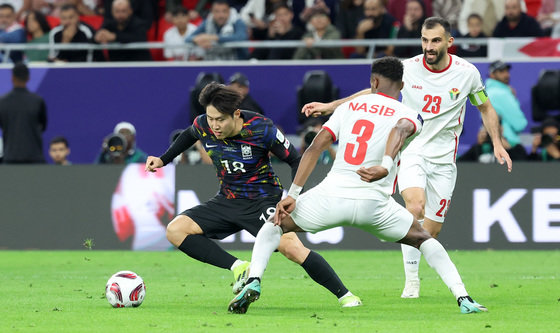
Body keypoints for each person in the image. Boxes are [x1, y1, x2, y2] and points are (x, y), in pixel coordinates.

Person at [229, 57, 487, 315]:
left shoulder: (348, 108)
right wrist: (386, 164)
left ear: (373, 81)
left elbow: (316, 147)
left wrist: (293, 194)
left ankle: (254, 280)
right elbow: (399, 130)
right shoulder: (411, 115)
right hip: (374, 204)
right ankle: (463, 297)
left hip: (331, 196)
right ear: (403, 85)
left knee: (273, 226)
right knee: (424, 239)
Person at [300, 17, 512, 299]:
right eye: (425, 40)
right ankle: (411, 282)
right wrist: (331, 106)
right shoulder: (408, 69)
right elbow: (374, 94)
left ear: (449, 42)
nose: (429, 46)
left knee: (430, 232)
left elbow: (485, 107)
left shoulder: (467, 73)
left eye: (435, 40)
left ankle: (419, 270)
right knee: (415, 208)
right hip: (411, 149)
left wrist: (497, 142)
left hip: (445, 159)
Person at [145, 82, 362, 309]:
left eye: (220, 120)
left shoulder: (261, 128)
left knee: (292, 249)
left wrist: (295, 195)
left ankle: (345, 295)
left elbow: (295, 160)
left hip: (263, 201)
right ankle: (239, 267)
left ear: (236, 114)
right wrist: (163, 160)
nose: (214, 126)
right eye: (210, 119)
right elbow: (190, 135)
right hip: (227, 199)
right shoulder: (203, 125)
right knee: (175, 230)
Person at [0, 63, 47, 164]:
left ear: (12, 78)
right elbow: (43, 126)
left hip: (10, 157)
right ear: (28, 78)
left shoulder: (2, 102)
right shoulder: (37, 101)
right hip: (34, 157)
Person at [485, 60, 528, 148]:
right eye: (501, 72)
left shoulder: (488, 92)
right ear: (492, 74)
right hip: (507, 143)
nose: (506, 75)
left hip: (492, 140)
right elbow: (519, 124)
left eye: (506, 71)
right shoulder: (500, 94)